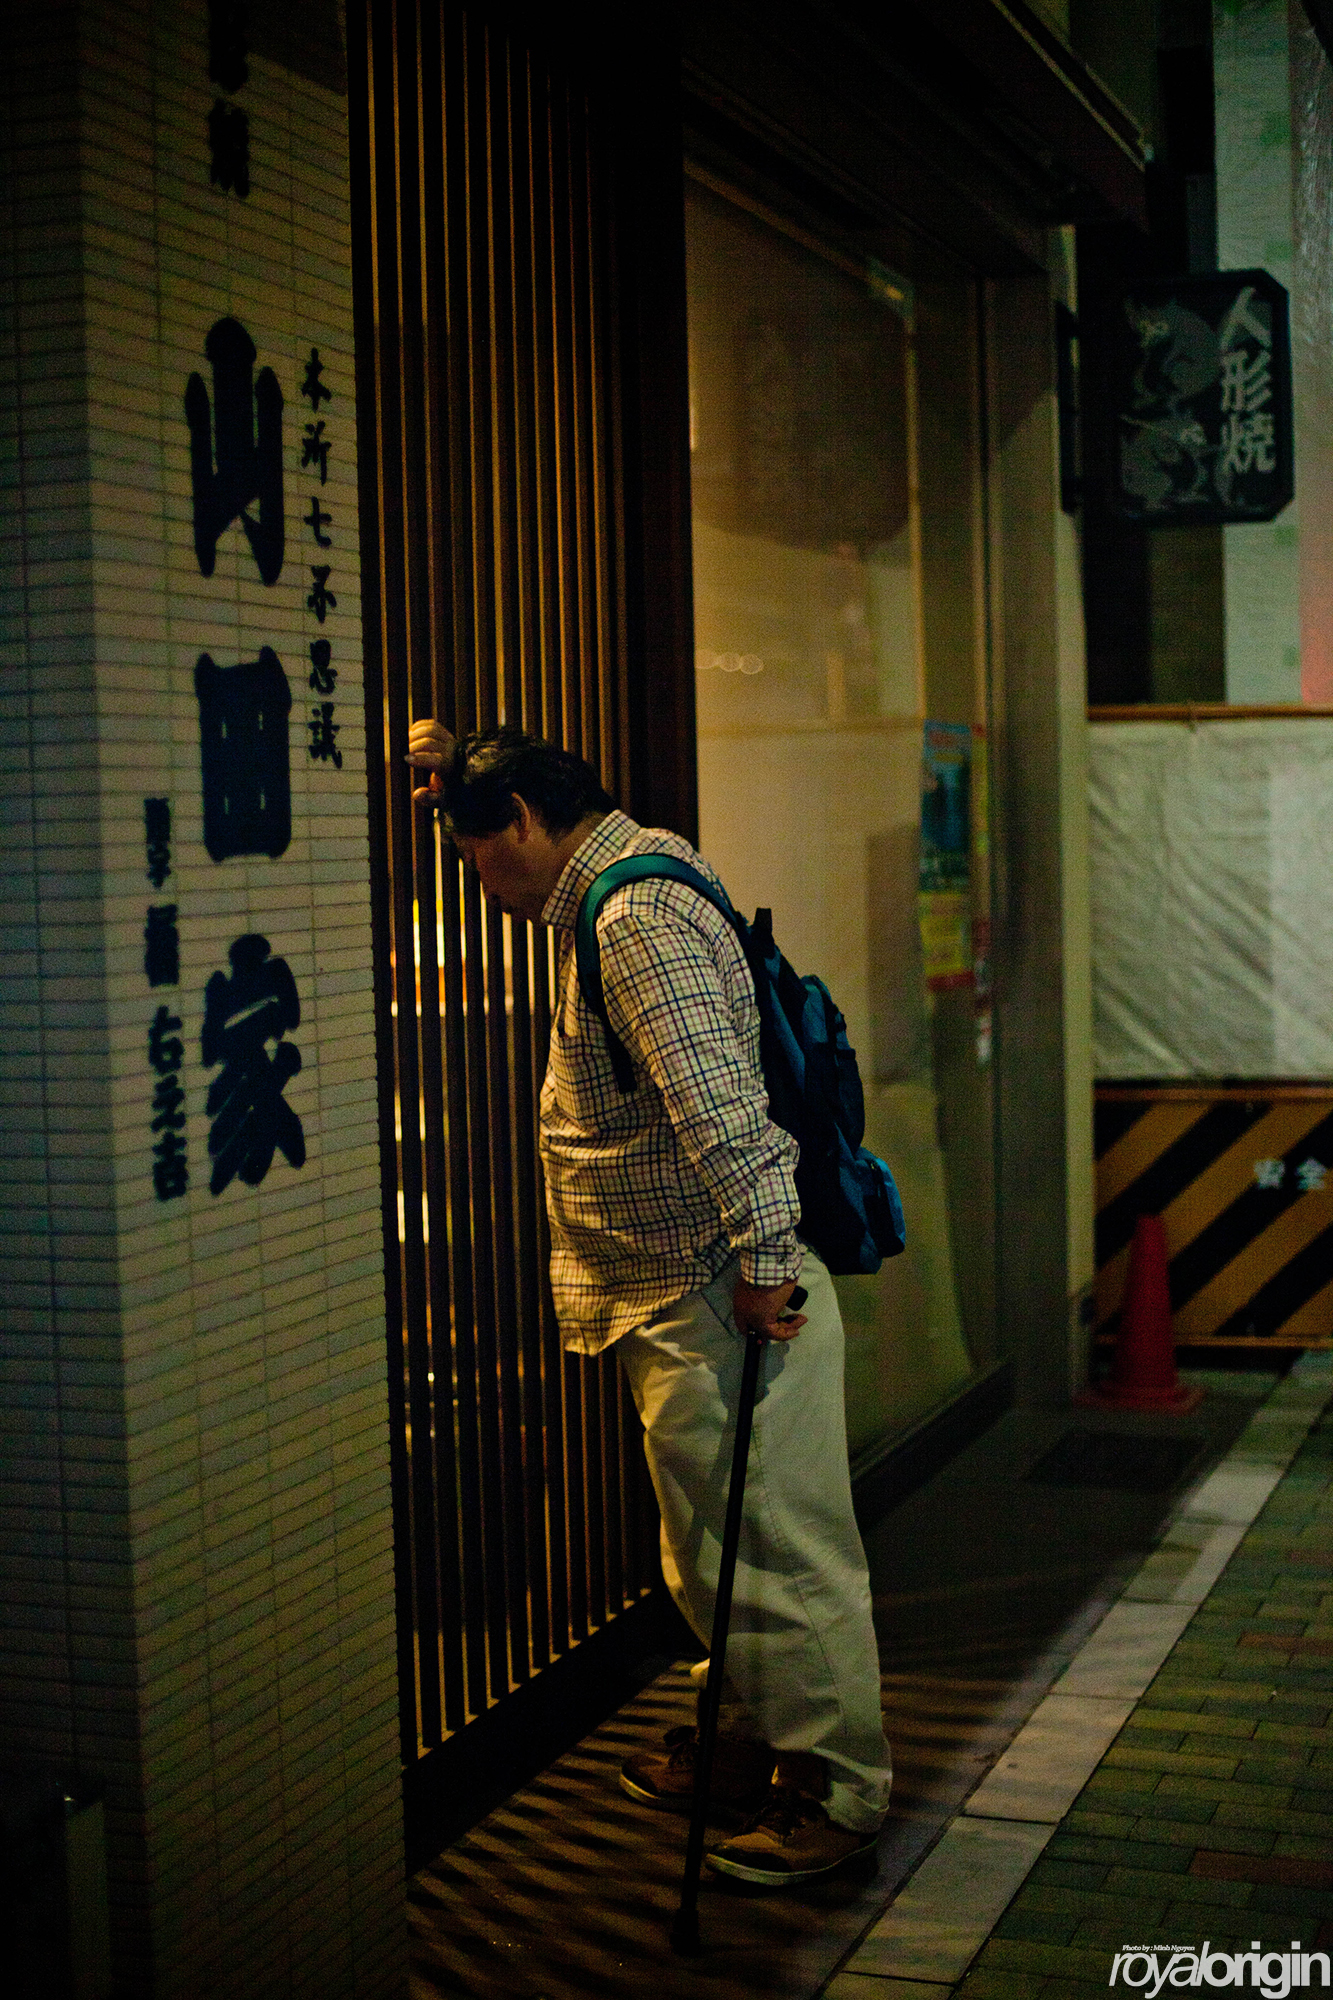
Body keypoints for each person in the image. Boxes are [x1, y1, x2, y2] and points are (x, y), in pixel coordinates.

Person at [407, 718, 892, 1885]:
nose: (479, 881)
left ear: (523, 819)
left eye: (474, 854)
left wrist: (764, 1264)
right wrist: (450, 767)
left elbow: (721, 1110)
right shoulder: (638, 861)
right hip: (692, 1280)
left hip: (717, 1284)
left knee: (772, 1546)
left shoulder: (630, 918)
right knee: (721, 1544)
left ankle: (835, 1787)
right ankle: (748, 1737)